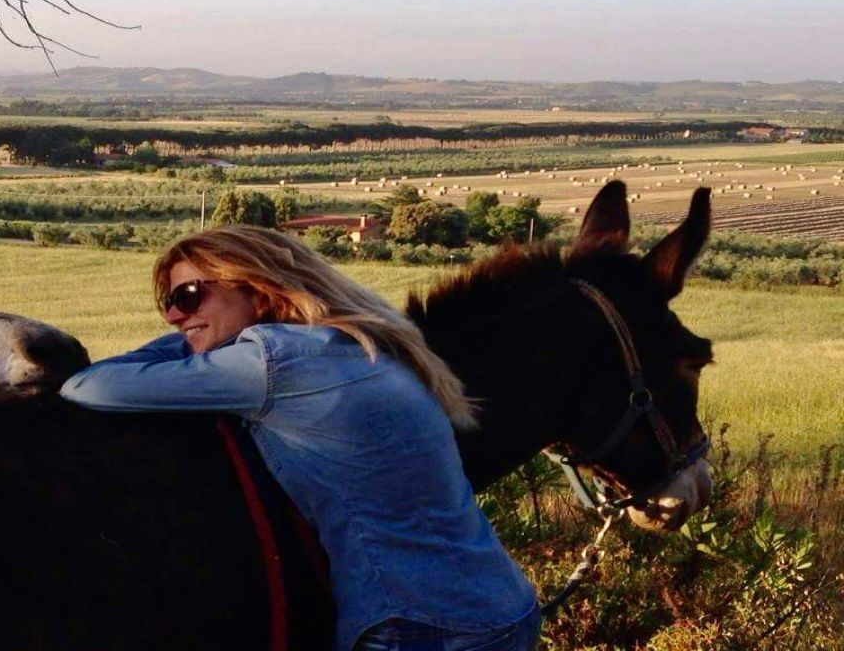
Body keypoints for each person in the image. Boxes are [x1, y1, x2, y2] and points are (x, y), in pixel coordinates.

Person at [60, 225, 540, 651]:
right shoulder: (357, 340)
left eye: (188, 296)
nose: (173, 316)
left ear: (255, 282)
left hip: (419, 626)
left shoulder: (276, 361)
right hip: (500, 606)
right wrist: (202, 333)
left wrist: (188, 347)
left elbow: (87, 385)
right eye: (168, 302)